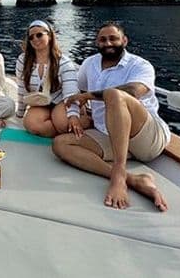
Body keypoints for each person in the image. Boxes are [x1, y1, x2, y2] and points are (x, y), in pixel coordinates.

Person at [52, 22, 170, 212]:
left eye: (113, 38)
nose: (108, 43)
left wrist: (89, 96)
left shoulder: (139, 65)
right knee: (60, 144)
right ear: (97, 43)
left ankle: (119, 174)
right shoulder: (89, 64)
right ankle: (134, 180)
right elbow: (77, 91)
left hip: (145, 138)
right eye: (103, 39)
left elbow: (133, 91)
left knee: (114, 95)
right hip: (108, 134)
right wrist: (75, 113)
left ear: (124, 40)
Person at [16, 20, 88, 138]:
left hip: (62, 100)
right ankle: (62, 133)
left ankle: (87, 119)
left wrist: (73, 115)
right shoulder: (23, 60)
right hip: (41, 102)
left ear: (49, 36)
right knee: (32, 125)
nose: (35, 39)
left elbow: (70, 92)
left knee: (63, 123)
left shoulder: (64, 62)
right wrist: (20, 113)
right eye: (31, 37)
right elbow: (21, 88)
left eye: (39, 35)